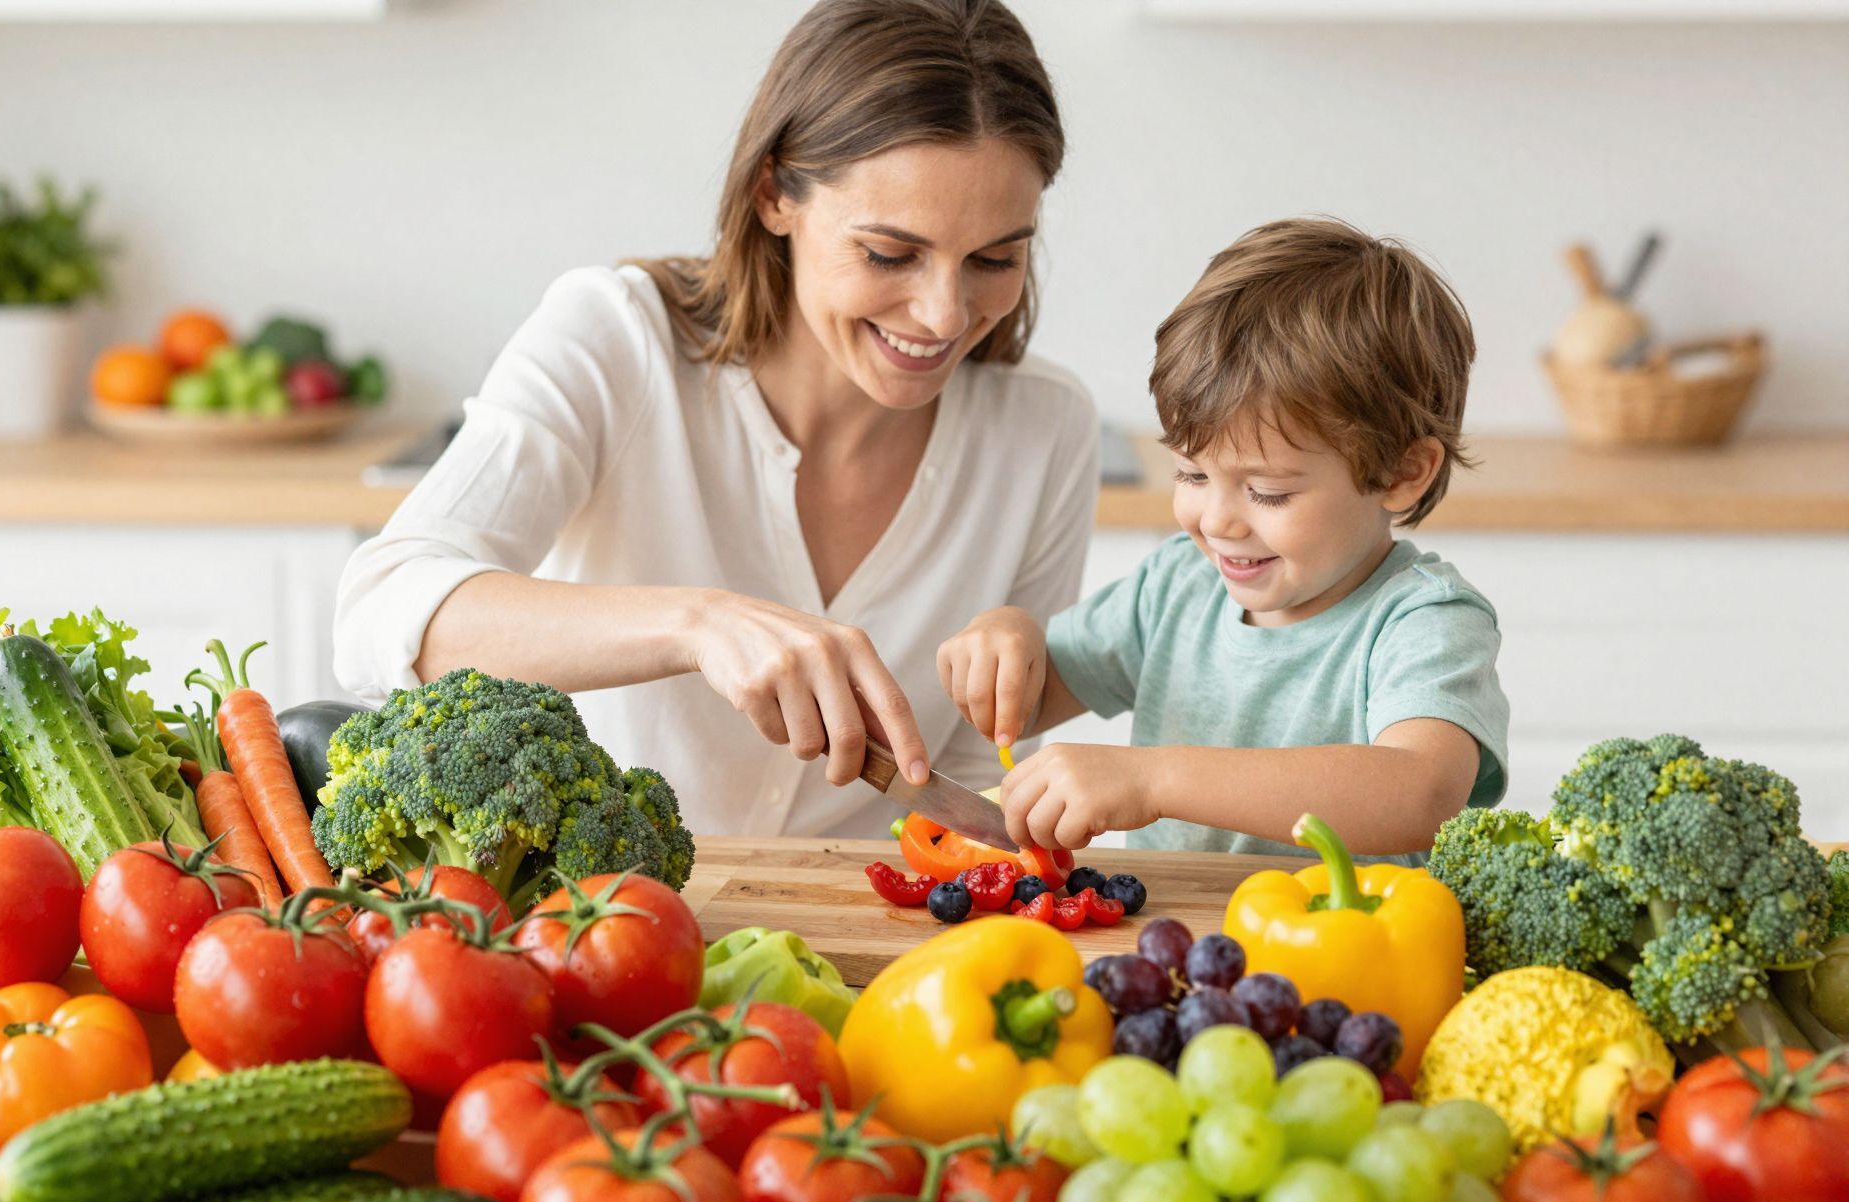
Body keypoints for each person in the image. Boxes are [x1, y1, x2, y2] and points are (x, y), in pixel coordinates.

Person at [333, 0, 1097, 839]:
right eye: (890, 254)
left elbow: (980, 779)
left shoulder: (1045, 430)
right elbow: (381, 611)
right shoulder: (619, 340)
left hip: (870, 934)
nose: (945, 313)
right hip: (607, 924)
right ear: (775, 193)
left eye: (996, 258)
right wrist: (698, 623)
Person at [938, 217, 1509, 861]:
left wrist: (1155, 779)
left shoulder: (1425, 621)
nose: (1216, 522)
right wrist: (1006, 637)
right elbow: (1035, 698)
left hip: (1341, 956)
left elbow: (1420, 796)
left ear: (1403, 473)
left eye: (1267, 491)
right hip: (1163, 951)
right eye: (1192, 473)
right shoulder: (1177, 584)